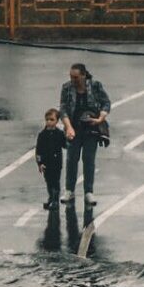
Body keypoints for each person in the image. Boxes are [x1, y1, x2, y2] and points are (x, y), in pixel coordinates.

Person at [59, 63, 111, 208]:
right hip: (74, 128)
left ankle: (89, 191)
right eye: (71, 77)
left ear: (83, 75)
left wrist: (100, 118)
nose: (73, 80)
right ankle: (69, 190)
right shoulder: (67, 88)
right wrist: (68, 127)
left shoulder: (95, 86)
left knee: (89, 160)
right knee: (71, 159)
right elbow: (63, 109)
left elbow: (106, 102)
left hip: (91, 129)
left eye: (75, 77)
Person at [35, 107, 66, 211]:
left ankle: (55, 200)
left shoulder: (59, 134)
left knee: (55, 182)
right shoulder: (42, 135)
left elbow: (65, 145)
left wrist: (69, 137)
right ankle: (51, 198)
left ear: (57, 121)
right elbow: (38, 150)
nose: (49, 122)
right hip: (46, 163)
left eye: (52, 120)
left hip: (56, 163)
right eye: (47, 119)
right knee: (48, 182)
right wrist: (40, 163)